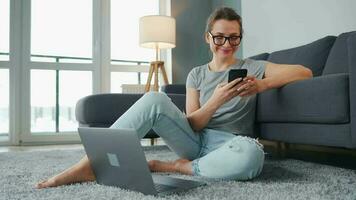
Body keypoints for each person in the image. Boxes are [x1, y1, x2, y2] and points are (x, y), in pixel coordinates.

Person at [36, 7, 312, 189]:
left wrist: (262, 85)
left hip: (231, 144)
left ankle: (171, 166)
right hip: (196, 140)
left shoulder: (253, 67)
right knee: (154, 99)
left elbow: (304, 72)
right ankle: (87, 165)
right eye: (219, 38)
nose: (226, 45)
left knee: (254, 155)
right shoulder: (196, 75)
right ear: (208, 38)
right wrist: (215, 100)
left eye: (233, 38)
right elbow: (193, 123)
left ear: (239, 38)